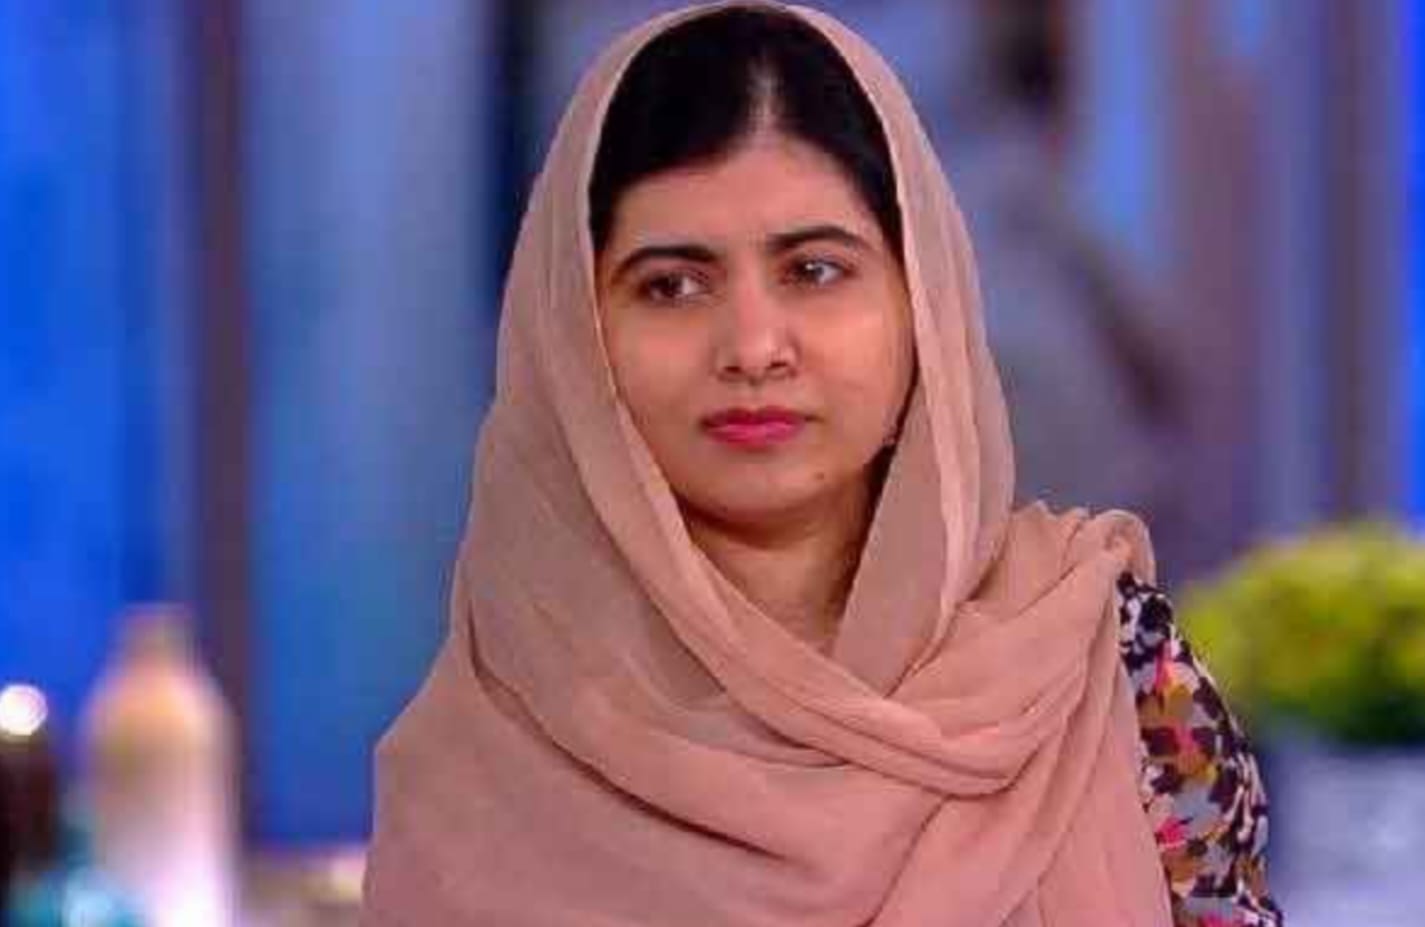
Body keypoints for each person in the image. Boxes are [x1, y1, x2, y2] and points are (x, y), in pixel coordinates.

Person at [360, 4, 1280, 925]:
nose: (754, 347)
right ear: (573, 331)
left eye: (814, 271)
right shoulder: (485, 758)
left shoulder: (1108, 674)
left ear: (923, 303)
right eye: (671, 285)